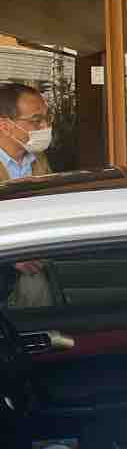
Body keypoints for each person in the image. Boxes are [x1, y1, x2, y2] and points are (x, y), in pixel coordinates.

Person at [0, 83, 57, 307]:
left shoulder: (39, 160)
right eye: (36, 120)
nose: (45, 126)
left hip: (34, 269)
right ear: (5, 126)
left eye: (46, 118)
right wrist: (10, 255)